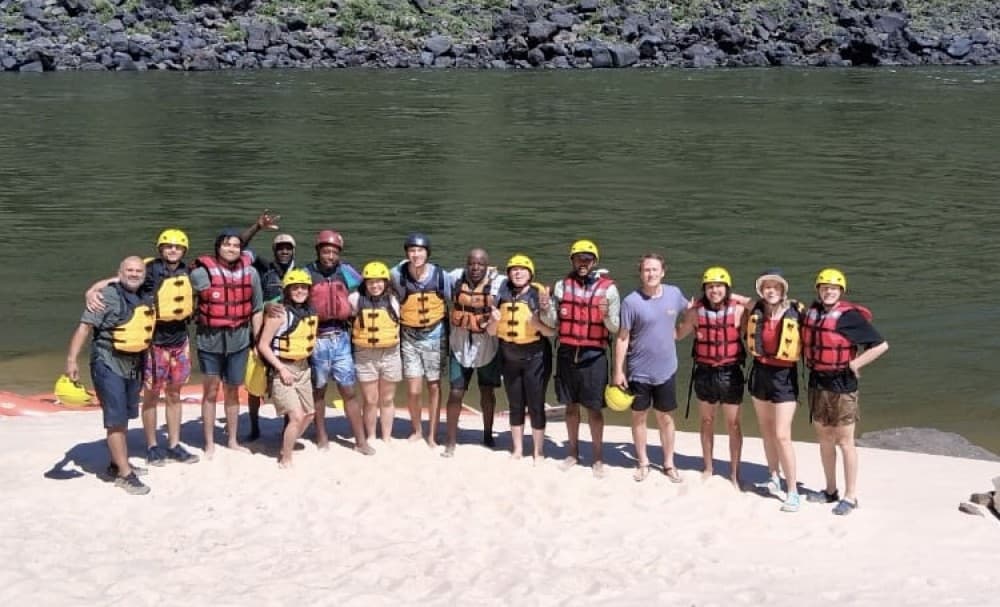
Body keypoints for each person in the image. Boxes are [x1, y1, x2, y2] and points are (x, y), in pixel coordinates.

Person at [84, 229, 201, 466]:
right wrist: (92, 291)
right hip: (154, 343)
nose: (173, 250)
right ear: (160, 249)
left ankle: (174, 444)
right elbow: (115, 281)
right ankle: (152, 445)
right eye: (168, 246)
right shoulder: (148, 271)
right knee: (151, 395)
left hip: (180, 341)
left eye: (177, 247)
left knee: (174, 394)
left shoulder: (188, 272)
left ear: (184, 250)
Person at [802, 268, 889, 515]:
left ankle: (851, 496)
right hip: (818, 382)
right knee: (824, 439)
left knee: (845, 441)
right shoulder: (812, 313)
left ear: (841, 291)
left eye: (833, 288)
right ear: (818, 290)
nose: (828, 291)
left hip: (843, 385)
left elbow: (880, 345)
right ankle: (830, 491)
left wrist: (855, 364)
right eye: (824, 287)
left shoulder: (849, 317)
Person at [66, 256, 155, 494]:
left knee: (124, 417)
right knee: (115, 419)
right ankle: (125, 475)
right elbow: (85, 327)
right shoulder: (105, 296)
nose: (134, 274)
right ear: (119, 272)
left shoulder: (145, 293)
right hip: (108, 362)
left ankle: (117, 464)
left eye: (138, 271)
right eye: (129, 270)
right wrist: (72, 359)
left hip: (133, 364)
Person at [540, 239, 620, 478]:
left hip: (594, 356)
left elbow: (615, 327)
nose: (582, 263)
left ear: (594, 261)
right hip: (566, 354)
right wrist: (544, 307)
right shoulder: (561, 287)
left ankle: (597, 457)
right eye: (578, 259)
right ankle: (573, 453)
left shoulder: (609, 290)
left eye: (587, 259)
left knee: (594, 409)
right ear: (572, 261)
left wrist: (605, 314)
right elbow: (553, 323)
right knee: (570, 406)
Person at [612, 253, 688, 483]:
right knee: (639, 417)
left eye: (655, 270)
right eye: (647, 270)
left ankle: (668, 463)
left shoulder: (674, 294)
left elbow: (693, 312)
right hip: (638, 371)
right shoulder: (631, 301)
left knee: (666, 418)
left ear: (663, 272)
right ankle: (643, 462)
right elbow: (623, 337)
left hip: (666, 369)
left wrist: (681, 332)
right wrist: (618, 370)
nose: (651, 274)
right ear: (641, 273)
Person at [190, 229, 264, 458]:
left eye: (236, 245)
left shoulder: (250, 273)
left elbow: (257, 308)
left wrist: (259, 341)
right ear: (218, 248)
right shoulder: (201, 274)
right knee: (210, 391)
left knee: (233, 391)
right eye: (227, 245)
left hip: (239, 340)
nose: (231, 249)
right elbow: (169, 287)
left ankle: (232, 439)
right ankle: (210, 442)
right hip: (209, 341)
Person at [675, 266, 750, 487]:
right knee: (707, 421)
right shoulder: (695, 312)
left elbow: (758, 309)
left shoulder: (738, 311)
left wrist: (737, 297)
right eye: (710, 286)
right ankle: (708, 466)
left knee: (734, 424)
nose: (714, 290)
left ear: (726, 288)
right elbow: (678, 335)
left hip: (730, 373)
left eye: (719, 286)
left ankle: (735, 473)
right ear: (704, 289)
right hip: (705, 372)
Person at [304, 229, 372, 455]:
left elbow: (370, 286)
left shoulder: (346, 272)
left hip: (341, 337)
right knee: (319, 390)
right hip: (317, 338)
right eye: (326, 251)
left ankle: (360, 440)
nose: (330, 256)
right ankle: (321, 435)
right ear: (318, 251)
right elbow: (286, 295)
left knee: (349, 390)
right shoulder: (306, 273)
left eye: (334, 252)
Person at [745, 268, 805, 512]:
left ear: (783, 291)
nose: (771, 290)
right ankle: (773, 475)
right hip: (760, 373)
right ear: (762, 291)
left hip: (784, 376)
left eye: (776, 287)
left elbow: (823, 322)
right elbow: (733, 298)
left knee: (782, 434)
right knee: (767, 430)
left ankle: (792, 491)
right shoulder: (757, 309)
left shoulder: (797, 313)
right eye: (767, 287)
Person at [488, 254, 553, 462]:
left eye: (522, 269)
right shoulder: (502, 294)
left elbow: (552, 332)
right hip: (509, 356)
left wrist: (538, 325)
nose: (517, 272)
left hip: (535, 356)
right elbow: (491, 332)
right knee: (515, 403)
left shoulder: (538, 295)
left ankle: (538, 451)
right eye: (513, 269)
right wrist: (493, 320)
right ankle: (517, 449)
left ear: (530, 274)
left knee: (536, 404)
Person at [390, 232, 453, 447]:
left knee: (434, 386)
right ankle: (416, 429)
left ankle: (432, 434)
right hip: (409, 336)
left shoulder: (441, 276)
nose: (416, 254)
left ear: (427, 253)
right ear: (407, 253)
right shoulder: (397, 275)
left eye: (420, 250)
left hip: (435, 334)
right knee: (413, 389)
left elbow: (458, 290)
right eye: (412, 250)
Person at [442, 248, 503, 457]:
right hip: (459, 345)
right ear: (466, 264)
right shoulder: (454, 277)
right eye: (472, 263)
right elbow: (428, 274)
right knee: (456, 392)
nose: (475, 267)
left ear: (487, 266)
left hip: (487, 345)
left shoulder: (498, 282)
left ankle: (487, 434)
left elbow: (522, 286)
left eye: (481, 264)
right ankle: (450, 440)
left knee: (487, 391)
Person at [256, 269, 318, 468]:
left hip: (303, 368)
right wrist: (280, 368)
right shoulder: (279, 314)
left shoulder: (311, 312)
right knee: (296, 416)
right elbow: (263, 345)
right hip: (283, 368)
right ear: (288, 290)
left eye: (303, 288)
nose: (300, 291)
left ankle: (285, 443)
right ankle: (286, 457)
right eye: (295, 288)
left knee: (309, 414)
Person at [245, 225, 296, 442]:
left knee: (287, 379)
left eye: (288, 248)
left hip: (289, 334)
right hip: (261, 332)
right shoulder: (263, 268)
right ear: (274, 250)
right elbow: (241, 247)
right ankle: (255, 426)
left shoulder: (300, 273)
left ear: (293, 251)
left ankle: (286, 426)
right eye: (280, 248)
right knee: (255, 382)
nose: (284, 252)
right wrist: (257, 227)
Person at [349, 261, 402, 443]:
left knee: (387, 399)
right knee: (370, 399)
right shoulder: (355, 299)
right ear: (365, 283)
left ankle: (386, 437)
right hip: (365, 355)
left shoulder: (394, 301)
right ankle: (371, 435)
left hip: (390, 353)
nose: (375, 285)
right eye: (371, 282)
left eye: (379, 281)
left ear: (386, 282)